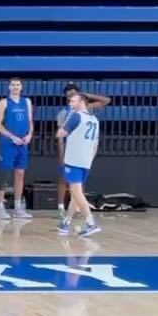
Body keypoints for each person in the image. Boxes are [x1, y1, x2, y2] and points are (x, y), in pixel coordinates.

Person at [55, 83, 111, 218]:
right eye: (69, 94)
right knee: (63, 179)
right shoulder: (64, 113)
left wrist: (87, 95)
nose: (71, 96)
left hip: (83, 148)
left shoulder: (88, 109)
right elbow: (60, 137)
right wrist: (61, 154)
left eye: (74, 93)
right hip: (70, 148)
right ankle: (61, 207)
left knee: (79, 182)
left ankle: (78, 210)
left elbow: (106, 100)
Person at [56, 92, 101, 238]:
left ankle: (90, 222)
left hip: (74, 159)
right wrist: (90, 160)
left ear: (81, 102)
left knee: (76, 193)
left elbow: (60, 134)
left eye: (73, 101)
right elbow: (95, 144)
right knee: (76, 194)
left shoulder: (75, 116)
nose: (70, 104)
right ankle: (66, 222)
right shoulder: (94, 120)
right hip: (86, 160)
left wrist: (66, 122)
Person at [0, 77, 34, 220]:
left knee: (20, 173)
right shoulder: (4, 102)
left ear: (21, 87)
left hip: (23, 142)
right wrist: (12, 137)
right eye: (13, 85)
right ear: (9, 87)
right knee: (4, 174)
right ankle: (0, 207)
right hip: (8, 143)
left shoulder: (27, 102)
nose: (15, 87)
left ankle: (18, 207)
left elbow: (30, 121)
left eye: (18, 84)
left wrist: (29, 135)